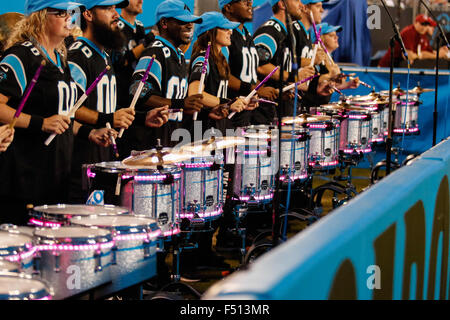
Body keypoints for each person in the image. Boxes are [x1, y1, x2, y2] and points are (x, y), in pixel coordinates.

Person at [0, 1, 111, 225]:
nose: (68, 18)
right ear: (39, 17)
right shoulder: (21, 55)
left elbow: (62, 117)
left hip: (57, 173)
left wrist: (89, 132)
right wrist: (40, 123)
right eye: (60, 13)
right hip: (25, 176)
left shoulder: (61, 59)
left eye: (69, 13)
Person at [68, 0, 168, 202]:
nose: (116, 14)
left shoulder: (103, 54)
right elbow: (69, 108)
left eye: (115, 8)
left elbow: (108, 109)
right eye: (107, 9)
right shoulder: (78, 55)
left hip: (103, 156)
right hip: (81, 160)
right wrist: (110, 118)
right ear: (88, 14)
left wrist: (142, 117)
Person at [130, 0, 204, 148]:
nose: (189, 26)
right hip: (150, 143)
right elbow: (138, 92)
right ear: (164, 23)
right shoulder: (155, 52)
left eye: (191, 22)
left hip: (171, 139)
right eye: (183, 21)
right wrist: (181, 104)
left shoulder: (179, 55)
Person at [252, 0, 316, 123]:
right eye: (296, 0)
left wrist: (286, 88)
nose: (301, 5)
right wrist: (294, 76)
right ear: (282, 4)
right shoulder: (270, 30)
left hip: (277, 108)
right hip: (262, 112)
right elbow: (260, 65)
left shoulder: (287, 33)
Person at [188, 12, 250, 135]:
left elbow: (218, 96)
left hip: (217, 128)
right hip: (201, 131)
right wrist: (228, 103)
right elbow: (195, 93)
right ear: (210, 32)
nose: (230, 32)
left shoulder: (220, 59)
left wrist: (240, 102)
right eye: (225, 28)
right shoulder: (202, 58)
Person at [220, 0, 279, 128]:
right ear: (228, 7)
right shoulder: (223, 35)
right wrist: (254, 89)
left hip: (245, 113)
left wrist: (264, 89)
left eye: (250, 1)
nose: (250, 4)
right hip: (228, 112)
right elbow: (222, 75)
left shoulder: (247, 35)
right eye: (244, 1)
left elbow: (248, 74)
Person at [378, 14, 449, 67]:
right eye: (422, 24)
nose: (424, 27)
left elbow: (427, 52)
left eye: (427, 25)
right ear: (415, 23)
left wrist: (440, 52)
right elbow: (407, 55)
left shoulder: (423, 36)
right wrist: (421, 55)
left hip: (400, 69)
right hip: (387, 68)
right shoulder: (409, 32)